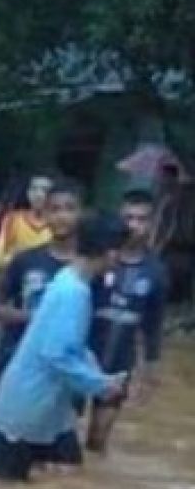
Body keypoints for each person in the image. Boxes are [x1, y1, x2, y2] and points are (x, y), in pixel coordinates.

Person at [0, 213, 130, 483]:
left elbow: (69, 345)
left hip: (44, 412)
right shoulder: (72, 293)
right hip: (26, 414)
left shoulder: (69, 280)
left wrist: (97, 373)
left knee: (68, 482)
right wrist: (100, 385)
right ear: (110, 253)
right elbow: (56, 355)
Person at [0, 180, 83, 443]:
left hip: (61, 371)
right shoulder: (27, 260)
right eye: (55, 209)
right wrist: (34, 319)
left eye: (69, 209)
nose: (62, 216)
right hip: (14, 358)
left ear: (81, 214)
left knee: (51, 451)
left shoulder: (88, 268)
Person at [85, 190, 168, 453]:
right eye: (128, 218)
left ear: (152, 224)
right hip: (82, 355)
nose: (134, 226)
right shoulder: (98, 261)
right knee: (58, 438)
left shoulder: (156, 272)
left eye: (141, 219)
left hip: (119, 363)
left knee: (98, 440)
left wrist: (150, 371)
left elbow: (153, 325)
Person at [0, 174, 54, 281]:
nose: (38, 194)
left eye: (44, 190)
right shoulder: (12, 220)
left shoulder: (57, 224)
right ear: (28, 193)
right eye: (34, 189)